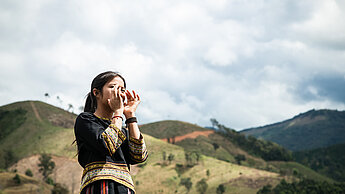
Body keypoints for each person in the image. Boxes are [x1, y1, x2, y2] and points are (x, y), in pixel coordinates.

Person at [74, 71, 148, 194]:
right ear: (96, 93)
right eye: (112, 87)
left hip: (125, 189)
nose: (118, 92)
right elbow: (107, 144)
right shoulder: (85, 120)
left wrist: (130, 115)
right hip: (98, 187)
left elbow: (139, 155)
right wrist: (118, 112)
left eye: (122, 89)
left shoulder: (121, 130)